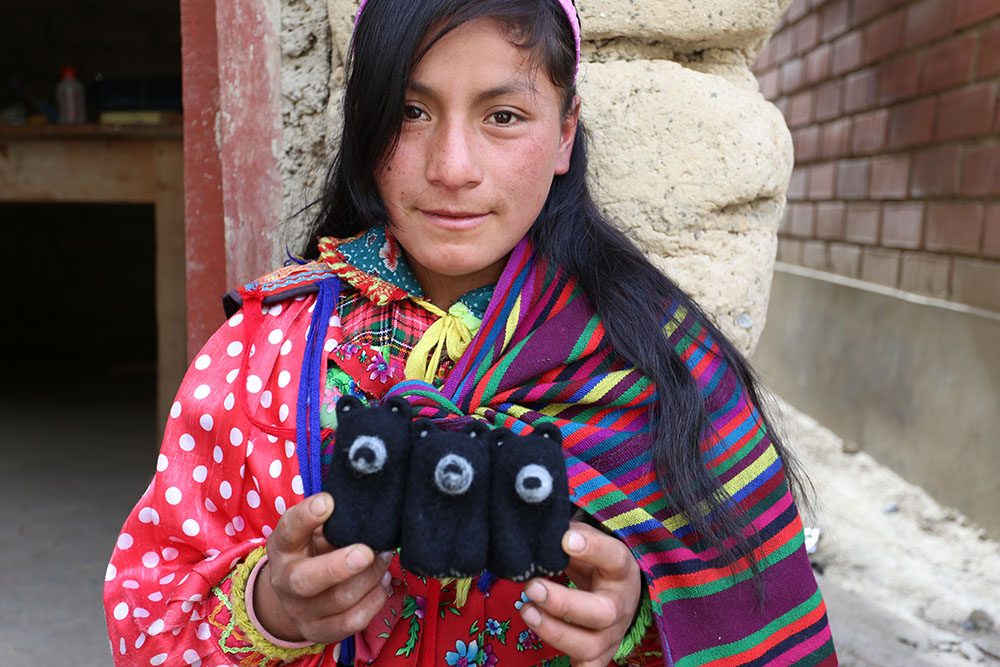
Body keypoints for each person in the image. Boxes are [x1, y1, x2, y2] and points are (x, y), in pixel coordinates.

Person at [104, 1, 837, 665]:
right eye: (410, 111)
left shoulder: (651, 362)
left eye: (504, 116)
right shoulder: (263, 353)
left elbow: (740, 608)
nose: (451, 167)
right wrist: (271, 607)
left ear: (564, 135)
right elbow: (149, 612)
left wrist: (634, 619)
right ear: (364, 127)